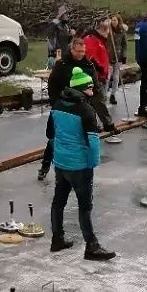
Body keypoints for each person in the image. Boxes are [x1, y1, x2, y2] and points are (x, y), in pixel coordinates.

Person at [48, 69, 116, 261]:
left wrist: (57, 154)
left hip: (61, 163)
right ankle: (91, 246)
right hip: (80, 165)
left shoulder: (57, 104)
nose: (92, 92)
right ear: (80, 90)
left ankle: (57, 238)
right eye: (89, 88)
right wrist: (92, 163)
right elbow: (93, 141)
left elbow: (50, 134)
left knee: (58, 202)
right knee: (84, 207)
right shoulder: (86, 110)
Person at [40, 35, 114, 180]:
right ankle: (45, 165)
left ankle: (79, 169)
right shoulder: (62, 65)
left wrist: (105, 118)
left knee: (80, 139)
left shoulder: (88, 65)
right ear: (72, 50)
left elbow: (95, 88)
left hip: (81, 107)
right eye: (78, 51)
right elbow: (52, 84)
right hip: (62, 105)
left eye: (83, 51)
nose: (81, 54)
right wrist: (55, 103)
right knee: (54, 137)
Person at [83, 20, 112, 98]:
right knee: (100, 101)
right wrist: (100, 68)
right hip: (97, 77)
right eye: (108, 30)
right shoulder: (91, 39)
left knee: (103, 99)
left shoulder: (101, 40)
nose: (109, 33)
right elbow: (90, 57)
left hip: (103, 75)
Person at [106, 14, 129, 106]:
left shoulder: (121, 31)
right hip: (109, 56)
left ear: (118, 21)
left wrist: (124, 56)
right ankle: (104, 94)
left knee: (116, 77)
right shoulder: (108, 30)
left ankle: (113, 94)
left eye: (115, 20)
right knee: (107, 76)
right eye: (112, 20)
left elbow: (125, 44)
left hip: (118, 56)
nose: (113, 22)